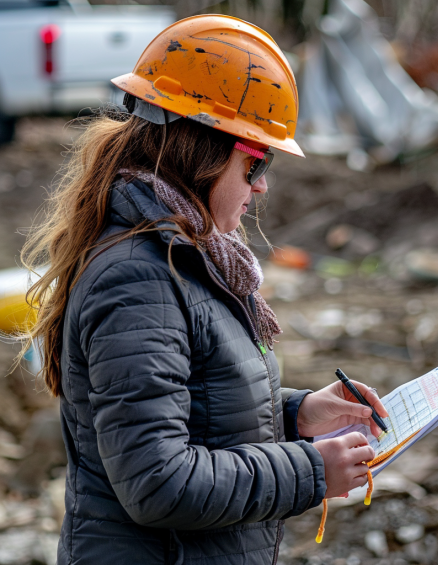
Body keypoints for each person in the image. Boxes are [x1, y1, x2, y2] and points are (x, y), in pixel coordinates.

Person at [22, 15, 388, 565]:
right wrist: (312, 471)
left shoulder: (187, 257)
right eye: (255, 161)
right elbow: (159, 481)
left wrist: (299, 415)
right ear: (203, 150)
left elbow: (195, 406)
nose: (262, 184)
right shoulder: (138, 279)